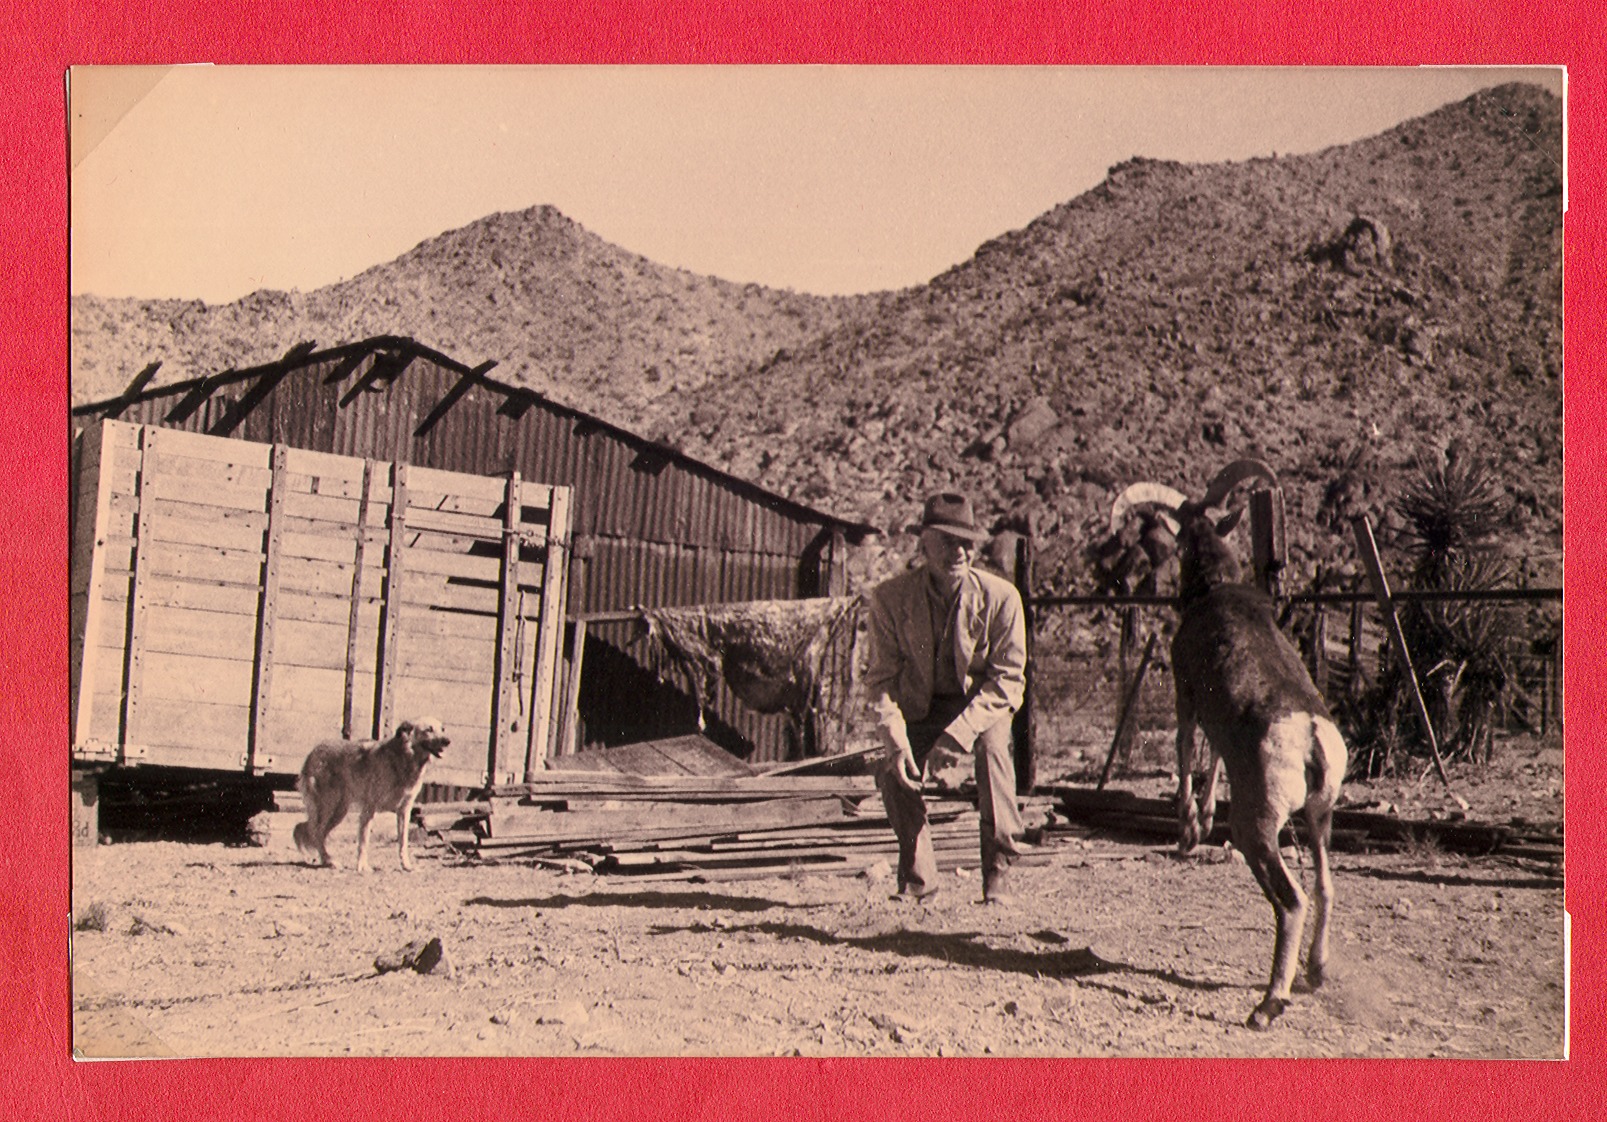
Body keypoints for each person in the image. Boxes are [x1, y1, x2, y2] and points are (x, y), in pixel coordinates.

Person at [864, 492, 1029, 904]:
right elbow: (881, 680)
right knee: (891, 768)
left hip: (979, 709)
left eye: (967, 542)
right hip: (920, 709)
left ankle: (998, 875)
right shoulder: (889, 599)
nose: (959, 552)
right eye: (946, 541)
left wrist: (959, 734)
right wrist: (895, 737)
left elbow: (1008, 682)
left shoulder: (1002, 598)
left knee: (993, 752)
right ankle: (920, 882)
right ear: (923, 543)